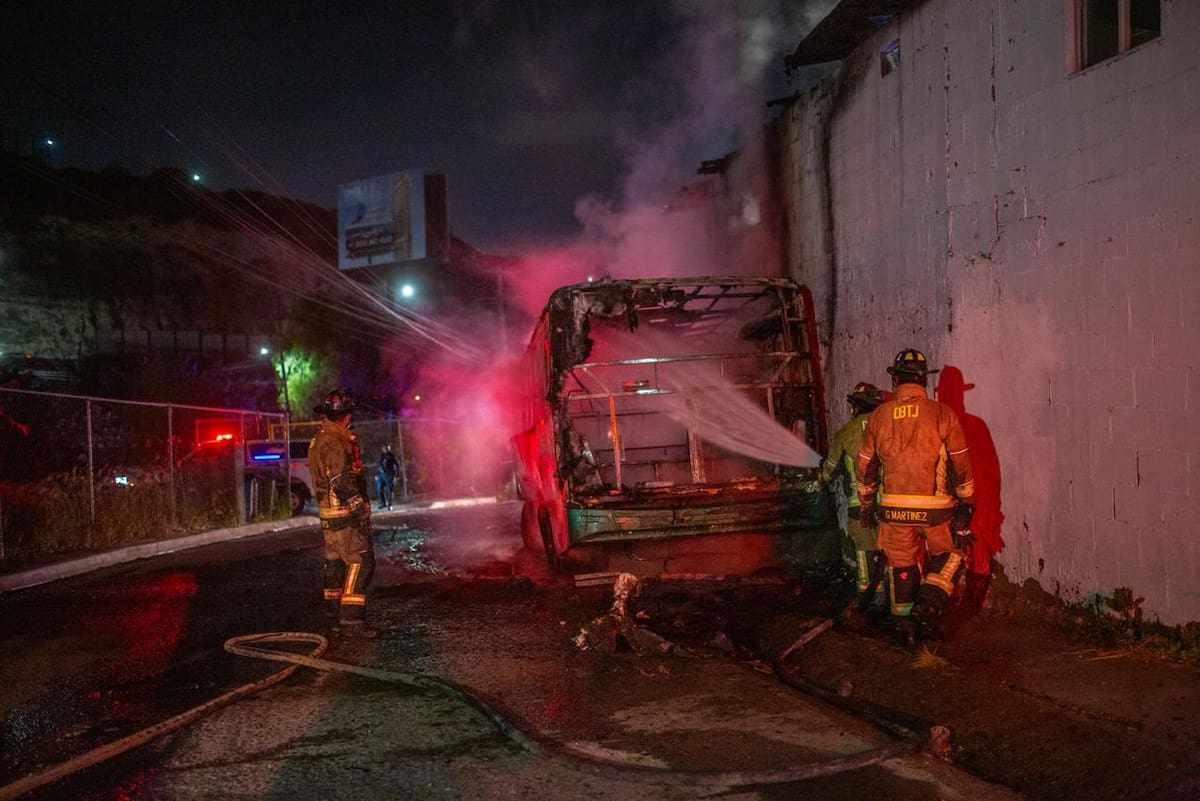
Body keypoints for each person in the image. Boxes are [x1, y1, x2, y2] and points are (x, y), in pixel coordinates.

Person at [856, 349, 974, 645]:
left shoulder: (879, 415)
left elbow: (866, 466)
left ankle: (905, 627)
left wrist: (867, 502)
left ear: (895, 379)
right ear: (924, 380)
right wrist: (966, 501)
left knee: (901, 565)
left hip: (892, 510)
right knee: (952, 555)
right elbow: (961, 462)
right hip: (935, 510)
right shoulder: (942, 413)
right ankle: (930, 602)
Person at [308, 387, 378, 637]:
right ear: (347, 416)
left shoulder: (319, 439)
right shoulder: (336, 441)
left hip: (329, 514)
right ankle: (352, 622)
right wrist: (359, 509)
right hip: (344, 515)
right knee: (362, 562)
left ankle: (333, 620)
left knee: (336, 565)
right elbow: (341, 479)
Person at [936, 365, 1004, 614]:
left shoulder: (937, 427)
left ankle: (955, 602)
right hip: (974, 501)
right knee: (974, 550)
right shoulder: (974, 425)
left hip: (951, 503)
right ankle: (969, 604)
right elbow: (991, 470)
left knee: (949, 552)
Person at [820, 382, 887, 607]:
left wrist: (821, 475)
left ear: (856, 407)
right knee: (896, 552)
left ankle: (873, 600)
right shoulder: (889, 426)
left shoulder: (846, 432)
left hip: (860, 506)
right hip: (891, 505)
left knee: (866, 551)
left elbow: (829, 471)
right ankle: (900, 599)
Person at [376, 443, 399, 509]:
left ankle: (390, 504)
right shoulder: (381, 455)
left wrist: (397, 475)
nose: (384, 449)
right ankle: (383, 503)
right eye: (383, 448)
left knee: (389, 490)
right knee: (379, 489)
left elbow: (397, 465)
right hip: (381, 475)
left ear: (388, 448)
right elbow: (379, 465)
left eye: (386, 448)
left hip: (389, 474)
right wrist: (377, 474)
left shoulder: (391, 456)